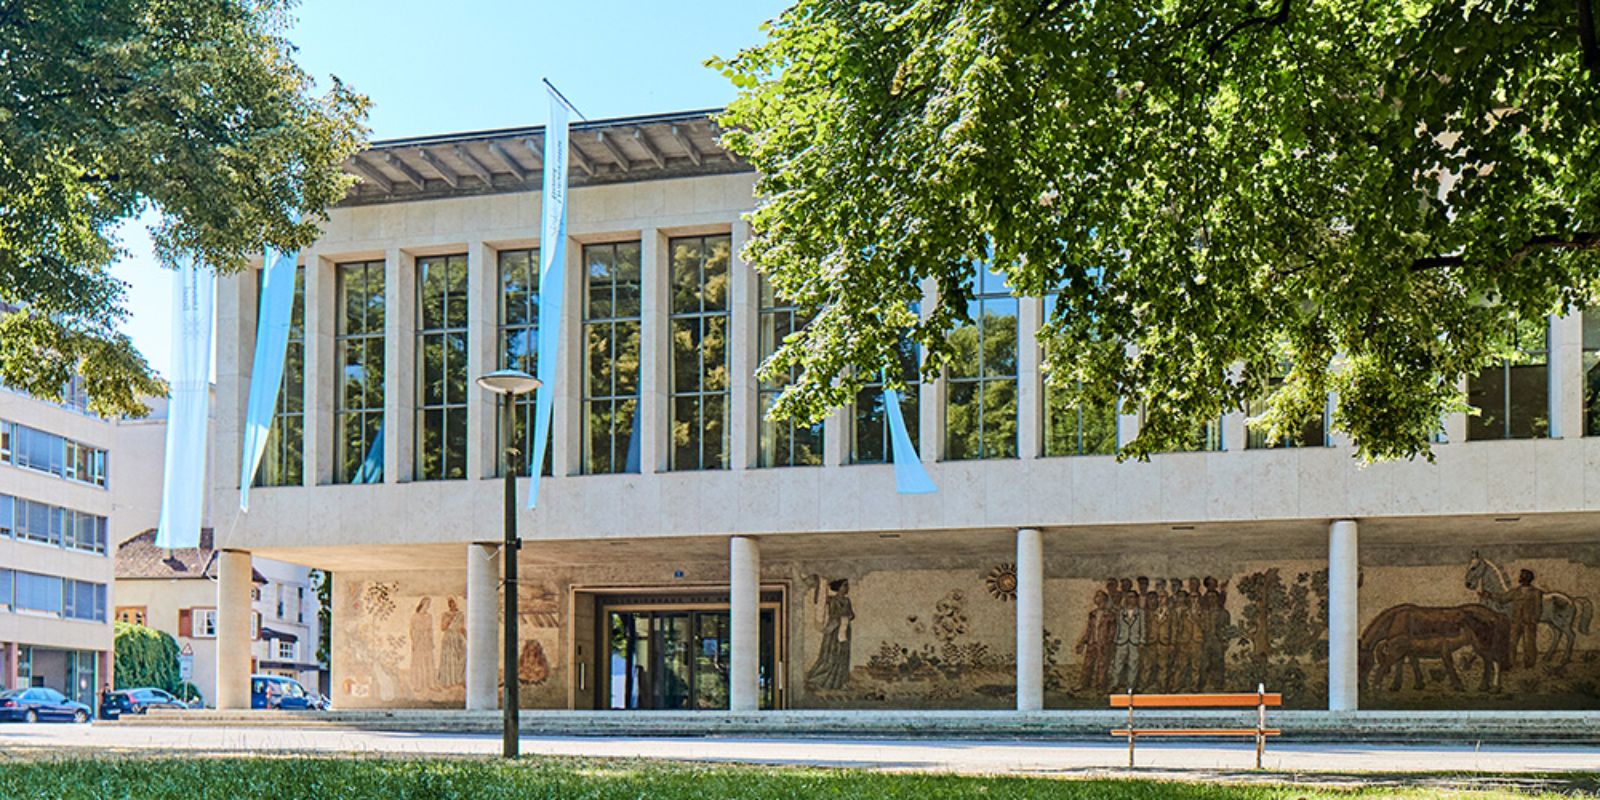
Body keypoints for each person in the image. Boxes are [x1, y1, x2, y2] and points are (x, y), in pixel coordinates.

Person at [1480, 568, 1543, 669]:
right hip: (1516, 622)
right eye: (1521, 575)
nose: (1521, 577)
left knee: (1529, 644)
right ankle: (1510, 663)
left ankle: (1529, 665)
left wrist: (1534, 620)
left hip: (1529, 623)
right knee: (1511, 643)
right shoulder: (1515, 592)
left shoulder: (1536, 592)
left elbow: (1538, 608)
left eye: (1523, 575)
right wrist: (1489, 595)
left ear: (1528, 578)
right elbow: (1502, 599)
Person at [805, 579, 854, 690]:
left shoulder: (847, 601)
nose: (847, 588)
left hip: (845, 629)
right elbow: (818, 600)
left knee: (843, 654)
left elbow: (851, 614)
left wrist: (847, 617)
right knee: (830, 654)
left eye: (847, 586)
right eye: (844, 585)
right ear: (838, 587)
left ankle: (840, 682)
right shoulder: (831, 599)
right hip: (833, 629)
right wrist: (819, 585)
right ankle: (820, 679)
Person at [1074, 590, 1114, 692]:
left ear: (1104, 600)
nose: (1096, 598)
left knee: (1102, 666)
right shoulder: (1092, 614)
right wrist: (1082, 642)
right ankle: (1083, 684)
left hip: (1103, 644)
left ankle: (1101, 687)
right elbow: (1089, 630)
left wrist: (1107, 643)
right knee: (1087, 664)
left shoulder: (1110, 615)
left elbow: (1112, 632)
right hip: (1092, 643)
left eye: (1099, 597)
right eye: (1096, 597)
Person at [1108, 592, 1145, 692]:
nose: (1130, 599)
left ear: (1136, 599)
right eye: (1128, 597)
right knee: (1118, 663)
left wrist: (1142, 641)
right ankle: (1114, 684)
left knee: (1133, 664)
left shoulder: (1140, 612)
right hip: (1122, 641)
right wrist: (1116, 640)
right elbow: (1118, 627)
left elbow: (1143, 628)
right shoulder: (1121, 612)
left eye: (1132, 597)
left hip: (1134, 642)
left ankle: (1130, 687)